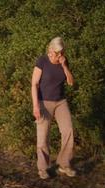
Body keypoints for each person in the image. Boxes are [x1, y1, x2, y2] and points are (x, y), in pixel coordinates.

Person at [31, 37, 76, 179]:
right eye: (53, 52)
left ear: (62, 52)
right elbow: (34, 84)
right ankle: (43, 168)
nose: (55, 55)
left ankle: (64, 164)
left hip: (60, 102)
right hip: (44, 102)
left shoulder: (64, 61)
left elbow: (70, 82)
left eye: (58, 53)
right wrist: (36, 105)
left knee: (68, 131)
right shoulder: (42, 61)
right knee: (43, 136)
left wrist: (64, 66)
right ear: (50, 49)